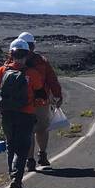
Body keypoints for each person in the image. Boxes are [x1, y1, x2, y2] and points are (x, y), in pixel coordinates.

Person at [0, 39, 45, 188]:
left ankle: (12, 175)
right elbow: (41, 93)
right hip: (26, 114)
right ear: (27, 55)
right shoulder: (32, 73)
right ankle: (16, 178)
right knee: (22, 148)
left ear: (11, 53)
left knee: (11, 145)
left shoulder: (2, 70)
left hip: (7, 114)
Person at [16, 31, 63, 170]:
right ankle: (41, 155)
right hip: (40, 101)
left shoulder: (12, 61)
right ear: (33, 45)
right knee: (41, 129)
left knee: (28, 131)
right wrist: (57, 95)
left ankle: (30, 160)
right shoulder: (41, 61)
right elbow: (52, 80)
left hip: (22, 103)